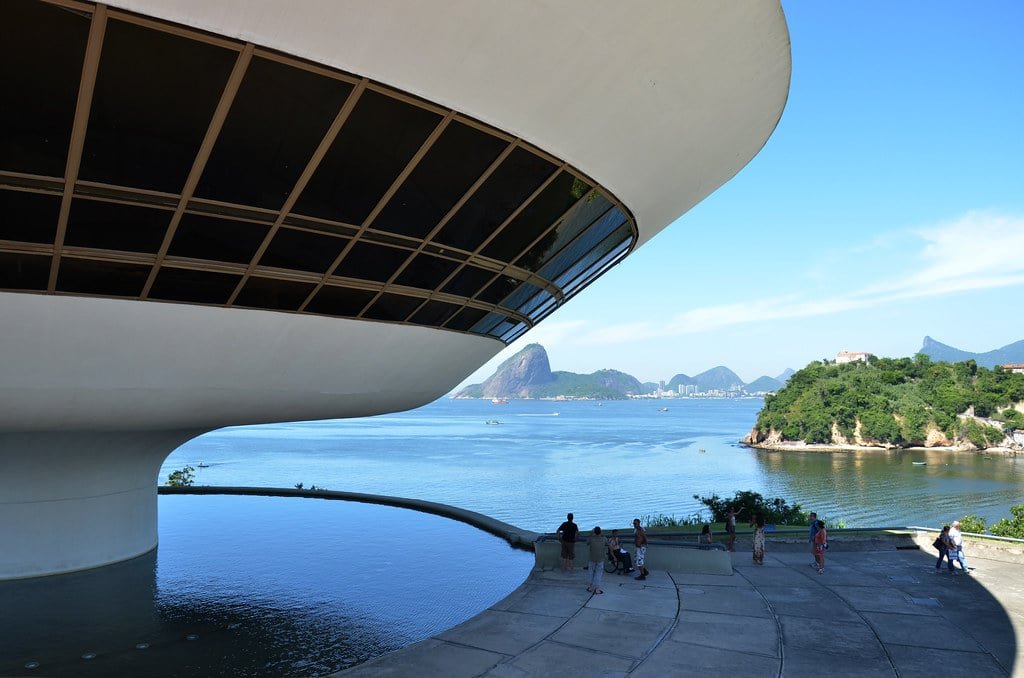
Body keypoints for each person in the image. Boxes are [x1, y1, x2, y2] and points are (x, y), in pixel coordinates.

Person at [586, 526, 608, 594]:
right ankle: (597, 589)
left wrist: (591, 533)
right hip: (600, 558)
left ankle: (590, 587)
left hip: (592, 558)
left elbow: (587, 543)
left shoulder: (591, 538)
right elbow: (607, 544)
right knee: (599, 573)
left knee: (590, 572)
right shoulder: (604, 538)